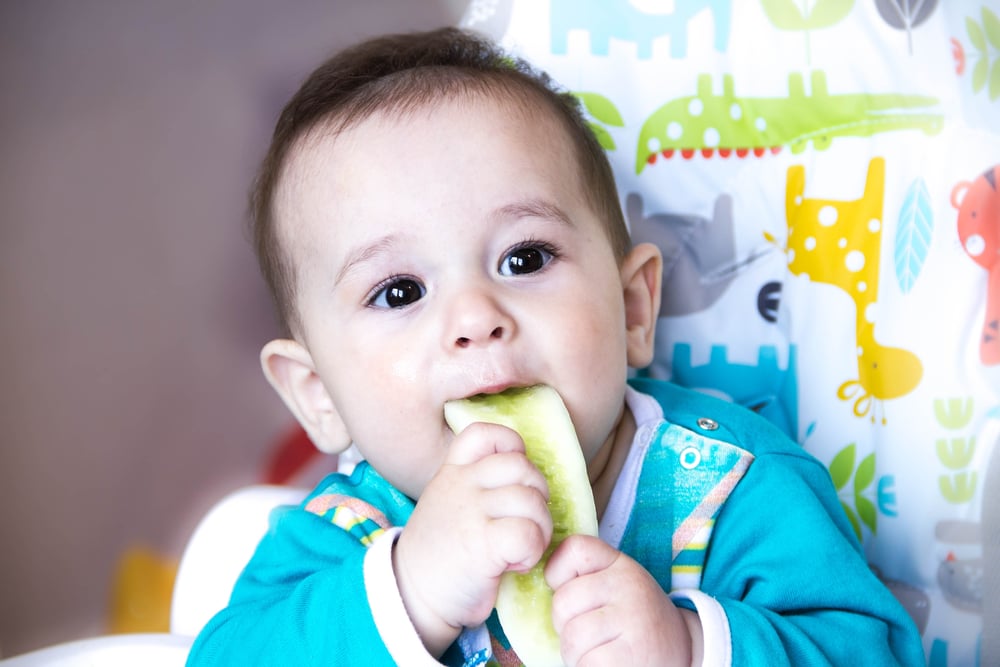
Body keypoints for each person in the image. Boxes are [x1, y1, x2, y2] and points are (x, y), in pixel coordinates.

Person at [187, 26, 924, 666]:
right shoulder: (346, 531)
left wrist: (693, 646)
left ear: (634, 308)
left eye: (525, 257)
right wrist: (410, 589)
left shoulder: (731, 486)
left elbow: (872, 651)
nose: (475, 316)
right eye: (401, 291)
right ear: (319, 394)